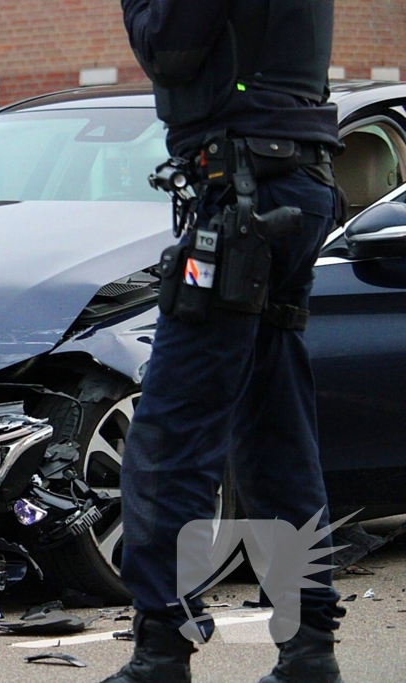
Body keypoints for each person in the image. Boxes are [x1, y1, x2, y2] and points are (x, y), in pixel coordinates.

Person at [104, 1, 347, 682]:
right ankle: (308, 648)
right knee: (274, 427)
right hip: (294, 181)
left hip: (241, 193)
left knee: (170, 429)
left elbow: (169, 46)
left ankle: (161, 650)